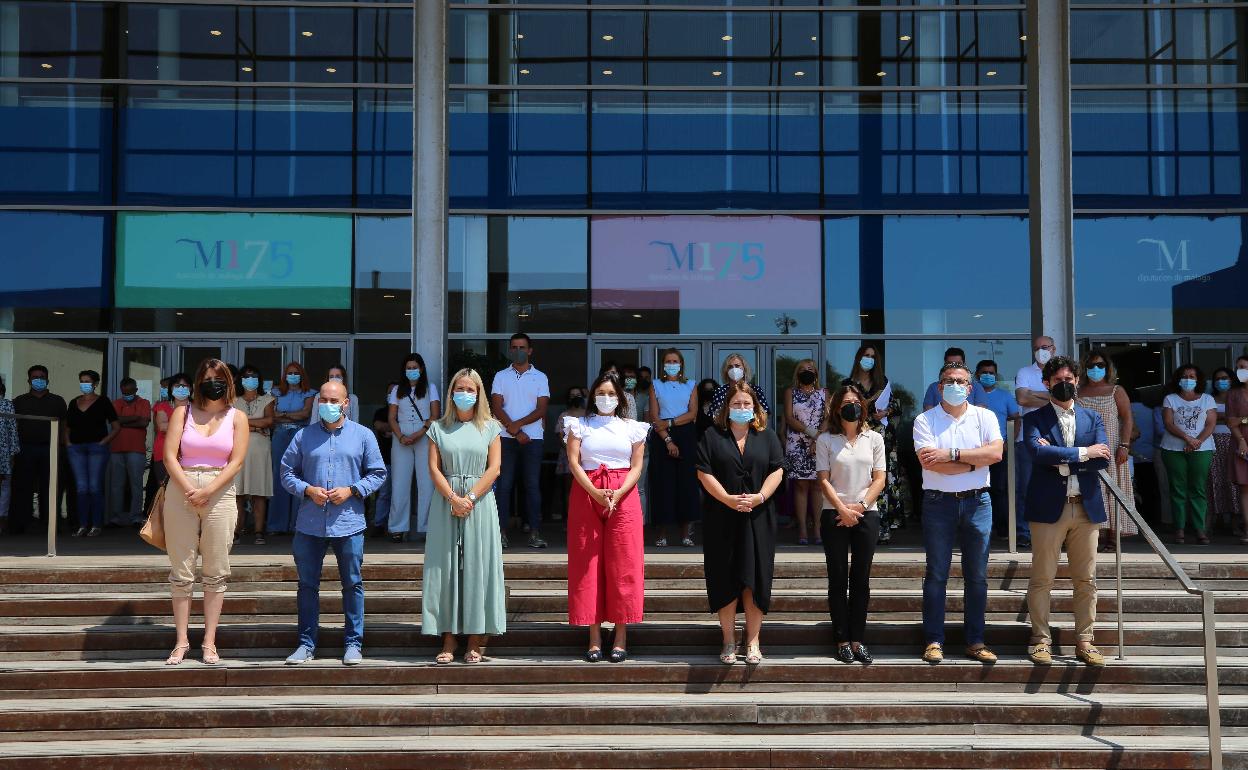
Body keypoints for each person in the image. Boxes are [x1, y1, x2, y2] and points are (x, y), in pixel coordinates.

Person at [281, 380, 387, 667]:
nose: (327, 404)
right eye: (323, 399)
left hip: (349, 522)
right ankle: (305, 644)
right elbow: (286, 471)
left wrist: (352, 490)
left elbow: (378, 473)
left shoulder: (363, 436)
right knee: (307, 585)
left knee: (352, 584)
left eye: (333, 400)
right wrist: (307, 489)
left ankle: (353, 643)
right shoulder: (303, 436)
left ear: (345, 403)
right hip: (310, 523)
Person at [912, 361, 1003, 664]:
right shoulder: (925, 420)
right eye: (949, 381)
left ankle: (975, 641)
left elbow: (996, 454)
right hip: (939, 503)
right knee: (937, 574)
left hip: (978, 503)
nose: (955, 386)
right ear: (939, 387)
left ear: (970, 387)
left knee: (976, 576)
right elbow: (929, 463)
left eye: (961, 381)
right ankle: (934, 640)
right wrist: (975, 462)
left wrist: (951, 455)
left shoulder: (985, 416)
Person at [1024, 355, 1112, 667]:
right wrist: (1082, 453)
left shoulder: (1093, 418)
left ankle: (1085, 641)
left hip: (1085, 507)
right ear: (1047, 384)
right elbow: (1036, 452)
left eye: (1069, 380)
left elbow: (1103, 458)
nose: (1065, 385)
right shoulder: (1034, 419)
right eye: (1058, 380)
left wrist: (1060, 455)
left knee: (1086, 579)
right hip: (1049, 508)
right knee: (1042, 577)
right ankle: (1040, 639)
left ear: (1077, 382)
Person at [162, 359, 249, 665]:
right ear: (199, 382)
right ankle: (181, 641)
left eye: (220, 379)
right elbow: (169, 456)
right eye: (209, 379)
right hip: (182, 488)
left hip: (220, 490)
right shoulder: (181, 412)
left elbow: (236, 461)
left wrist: (208, 491)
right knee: (182, 571)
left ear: (229, 383)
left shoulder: (237, 416)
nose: (214, 384)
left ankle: (209, 641)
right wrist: (190, 490)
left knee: (215, 570)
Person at [696, 381, 785, 666]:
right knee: (725, 576)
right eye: (737, 404)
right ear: (727, 407)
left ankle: (753, 640)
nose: (742, 408)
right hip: (721, 517)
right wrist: (727, 499)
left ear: (756, 408)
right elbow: (703, 472)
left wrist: (759, 497)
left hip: (758, 518)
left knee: (755, 578)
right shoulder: (712, 435)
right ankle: (728, 640)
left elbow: (778, 470)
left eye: (747, 404)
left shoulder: (767, 436)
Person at [564, 373, 649, 662]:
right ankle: (594, 636)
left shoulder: (633, 428)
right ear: (592, 396)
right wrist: (596, 493)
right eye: (601, 393)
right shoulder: (579, 424)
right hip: (587, 491)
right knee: (587, 564)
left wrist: (618, 491)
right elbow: (574, 462)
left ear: (620, 398)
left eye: (612, 394)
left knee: (624, 562)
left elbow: (636, 466)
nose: (606, 398)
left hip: (623, 494)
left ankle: (621, 635)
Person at [424, 368, 506, 664]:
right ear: (451, 392)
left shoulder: (491, 427)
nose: (465, 394)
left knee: (476, 566)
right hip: (446, 501)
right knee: (444, 567)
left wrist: (469, 498)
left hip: (479, 502)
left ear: (479, 393)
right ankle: (447, 636)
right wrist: (453, 498)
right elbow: (434, 468)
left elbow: (494, 468)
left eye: (471, 389)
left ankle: (474, 638)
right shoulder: (438, 427)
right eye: (460, 388)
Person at [817, 384, 886, 665]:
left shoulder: (875, 439)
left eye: (855, 402)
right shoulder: (826, 440)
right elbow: (823, 479)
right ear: (836, 408)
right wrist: (843, 509)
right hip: (834, 513)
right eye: (845, 402)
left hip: (865, 514)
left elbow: (879, 478)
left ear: (863, 407)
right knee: (837, 578)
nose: (851, 406)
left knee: (861, 579)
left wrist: (861, 506)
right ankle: (841, 638)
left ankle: (858, 638)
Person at [845, 344, 910, 545]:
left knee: (882, 482)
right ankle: (854, 525)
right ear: (858, 358)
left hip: (882, 437)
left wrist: (886, 412)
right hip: (857, 436)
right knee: (859, 480)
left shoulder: (884, 383)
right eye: (866, 355)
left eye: (872, 356)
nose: (869, 359)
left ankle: (881, 530)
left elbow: (898, 406)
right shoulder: (847, 384)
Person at [490, 333, 550, 549]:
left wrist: (518, 426)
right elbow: (496, 407)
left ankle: (534, 532)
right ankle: (501, 533)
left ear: (530, 350)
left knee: (532, 485)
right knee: (504, 486)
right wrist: (514, 431)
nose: (518, 351)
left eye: (522, 347)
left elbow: (542, 408)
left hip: (533, 439)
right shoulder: (501, 376)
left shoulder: (540, 377)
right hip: (506, 439)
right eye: (514, 347)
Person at [1075, 352, 1138, 551]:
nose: (1096, 369)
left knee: (1114, 490)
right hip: (1087, 448)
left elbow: (1127, 418)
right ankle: (1096, 536)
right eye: (1091, 365)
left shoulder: (1116, 391)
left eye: (1100, 365)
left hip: (1112, 448)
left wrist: (1125, 445)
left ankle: (1113, 538)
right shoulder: (1078, 391)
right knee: (1092, 490)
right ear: (1084, 368)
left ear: (1107, 367)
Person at [1160, 364, 1218, 544]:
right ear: (1178, 379)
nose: (1188, 379)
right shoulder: (1170, 399)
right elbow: (1168, 424)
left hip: (1202, 449)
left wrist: (1197, 441)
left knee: (1198, 489)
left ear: (1198, 380)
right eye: (1184, 376)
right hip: (1173, 449)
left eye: (1192, 376)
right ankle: (1179, 529)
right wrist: (1188, 439)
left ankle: (1200, 529)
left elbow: (1210, 424)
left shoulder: (1207, 399)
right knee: (1177, 489)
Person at [648, 348, 700, 547]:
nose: (672, 364)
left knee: (686, 484)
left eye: (675, 361)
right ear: (663, 364)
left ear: (681, 364)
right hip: (662, 436)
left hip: (685, 434)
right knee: (663, 484)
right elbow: (654, 416)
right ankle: (661, 534)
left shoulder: (690, 384)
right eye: (668, 361)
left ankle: (686, 534)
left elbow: (692, 413)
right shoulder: (655, 384)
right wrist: (668, 439)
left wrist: (669, 424)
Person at [387, 353, 442, 542]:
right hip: (401, 437)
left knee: (426, 483)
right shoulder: (397, 390)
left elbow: (435, 415)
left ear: (422, 369)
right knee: (400, 483)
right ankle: (397, 527)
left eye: (415, 367)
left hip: (424, 436)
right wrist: (401, 436)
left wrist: (419, 433)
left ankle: (427, 527)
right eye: (408, 368)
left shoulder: (430, 388)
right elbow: (391, 417)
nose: (412, 371)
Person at [8, 365, 67, 535]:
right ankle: (20, 524)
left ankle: (50, 524)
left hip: (50, 449)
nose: (39, 380)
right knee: (23, 487)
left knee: (50, 488)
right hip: (25, 449)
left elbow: (63, 425)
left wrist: (61, 446)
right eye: (35, 377)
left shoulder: (57, 401)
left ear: (47, 380)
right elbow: (14, 426)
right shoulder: (19, 401)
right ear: (28, 380)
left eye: (42, 377)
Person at [1014, 336, 1059, 548]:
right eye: (1036, 348)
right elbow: (1022, 399)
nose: (1041, 351)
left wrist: (1037, 395)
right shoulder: (1024, 372)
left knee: (1056, 486)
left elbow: (1068, 398)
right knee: (1026, 488)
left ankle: (1055, 531)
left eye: (1045, 347)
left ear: (1054, 348)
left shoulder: (1061, 372)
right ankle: (1024, 532)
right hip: (1027, 439)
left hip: (1057, 438)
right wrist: (1052, 396)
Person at [64, 370, 120, 537]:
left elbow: (116, 426)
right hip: (76, 449)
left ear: (95, 383)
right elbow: (67, 426)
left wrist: (104, 441)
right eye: (82, 381)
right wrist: (68, 443)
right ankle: (82, 525)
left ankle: (96, 525)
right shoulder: (74, 402)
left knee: (94, 487)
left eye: (87, 381)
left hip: (97, 448)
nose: (84, 384)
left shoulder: (103, 401)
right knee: (81, 488)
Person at [783, 359, 828, 546]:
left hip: (820, 443)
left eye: (810, 369)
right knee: (801, 486)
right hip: (797, 442)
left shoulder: (824, 393)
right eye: (802, 369)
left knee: (818, 486)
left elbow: (828, 417)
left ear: (816, 373)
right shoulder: (790, 392)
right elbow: (789, 418)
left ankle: (817, 528)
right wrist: (812, 434)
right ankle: (802, 529)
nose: (806, 372)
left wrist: (818, 439)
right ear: (797, 374)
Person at [975, 360, 1020, 540]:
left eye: (992, 373)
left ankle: (1002, 528)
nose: (988, 375)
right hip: (975, 452)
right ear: (977, 374)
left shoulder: (1005, 395)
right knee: (977, 488)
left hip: (999, 450)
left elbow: (1017, 418)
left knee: (1000, 489)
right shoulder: (971, 395)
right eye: (985, 372)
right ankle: (980, 527)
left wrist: (1010, 441)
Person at [268, 362, 315, 535]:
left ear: (302, 375)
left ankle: (298, 524)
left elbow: (305, 414)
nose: (293, 376)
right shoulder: (276, 393)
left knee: (299, 477)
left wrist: (284, 415)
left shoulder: (310, 393)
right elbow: (272, 416)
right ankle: (276, 525)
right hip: (280, 436)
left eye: (296, 373)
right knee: (278, 476)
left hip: (300, 436)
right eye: (290, 373)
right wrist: (290, 417)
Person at [234, 365, 275, 545]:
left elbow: (269, 421)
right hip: (238, 449)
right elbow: (228, 423)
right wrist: (257, 426)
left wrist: (243, 423)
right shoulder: (233, 401)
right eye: (246, 376)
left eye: (253, 376)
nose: (250, 379)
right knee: (238, 493)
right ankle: (236, 531)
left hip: (260, 450)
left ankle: (259, 531)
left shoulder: (267, 399)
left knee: (259, 493)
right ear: (241, 379)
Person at [107, 377, 151, 527]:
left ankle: (136, 517)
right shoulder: (116, 403)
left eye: (130, 391)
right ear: (121, 390)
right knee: (116, 485)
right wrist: (134, 419)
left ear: (136, 390)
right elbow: (114, 421)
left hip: (136, 450)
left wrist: (122, 421)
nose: (127, 394)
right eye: (124, 392)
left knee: (136, 485)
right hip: (116, 449)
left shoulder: (144, 403)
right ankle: (116, 517)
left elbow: (143, 422)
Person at [1208, 366, 1243, 532]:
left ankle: (1236, 520)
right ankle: (1218, 519)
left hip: (1235, 441)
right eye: (1218, 379)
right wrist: (1229, 419)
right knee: (1216, 480)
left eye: (1225, 378)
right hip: (1213, 441)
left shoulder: (1238, 397)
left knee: (1235, 481)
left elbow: (1233, 419)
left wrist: (1226, 419)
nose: (1221, 382)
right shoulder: (1209, 399)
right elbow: (1208, 420)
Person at [554, 385, 589, 522]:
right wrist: (573, 450)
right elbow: (560, 437)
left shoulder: (588, 416)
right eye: (572, 395)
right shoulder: (563, 416)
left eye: (578, 394)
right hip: (567, 457)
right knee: (569, 490)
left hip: (586, 457)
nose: (575, 397)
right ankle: (569, 520)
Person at [369, 381, 399, 538]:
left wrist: (392, 430)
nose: (392, 395)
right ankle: (379, 524)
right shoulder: (381, 412)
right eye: (390, 392)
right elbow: (379, 425)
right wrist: (395, 428)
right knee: (384, 493)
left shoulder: (406, 411)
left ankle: (395, 526)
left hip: (401, 460)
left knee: (400, 494)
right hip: (384, 459)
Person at [143, 377, 173, 515]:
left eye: (166, 386)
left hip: (181, 452)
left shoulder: (190, 406)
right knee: (161, 486)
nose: (163, 389)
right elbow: (159, 428)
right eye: (162, 387)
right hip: (161, 450)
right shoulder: (160, 406)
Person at [921, 348, 987, 411]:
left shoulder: (976, 387)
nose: (954, 367)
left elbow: (981, 413)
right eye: (950, 364)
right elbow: (928, 413)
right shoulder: (933, 387)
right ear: (940, 388)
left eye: (958, 364)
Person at [1228, 356, 1248, 545]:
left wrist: (1242, 419)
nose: (1240, 370)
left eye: (1243, 367)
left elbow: (1238, 420)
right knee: (1245, 488)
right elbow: (1230, 421)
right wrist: (1241, 440)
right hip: (1241, 442)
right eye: (1238, 367)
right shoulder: (1233, 394)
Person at [0, 377, 19, 533]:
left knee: (4, 485)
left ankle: (2, 519)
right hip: (5, 451)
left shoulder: (6, 404)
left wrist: (13, 451)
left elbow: (12, 429)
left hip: (3, 451)